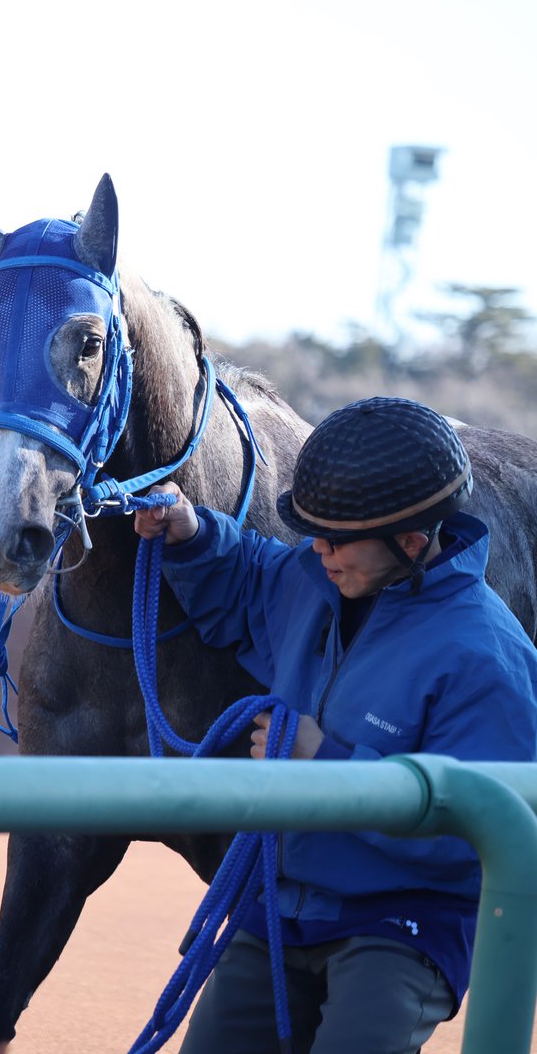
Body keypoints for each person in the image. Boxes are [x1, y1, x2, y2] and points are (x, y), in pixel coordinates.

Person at [133, 396, 537, 1054]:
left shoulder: (488, 656)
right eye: (314, 532)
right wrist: (191, 533)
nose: (318, 548)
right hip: (279, 906)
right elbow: (248, 579)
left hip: (402, 924)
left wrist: (327, 765)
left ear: (412, 542)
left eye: (335, 538)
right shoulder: (315, 578)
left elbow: (477, 839)